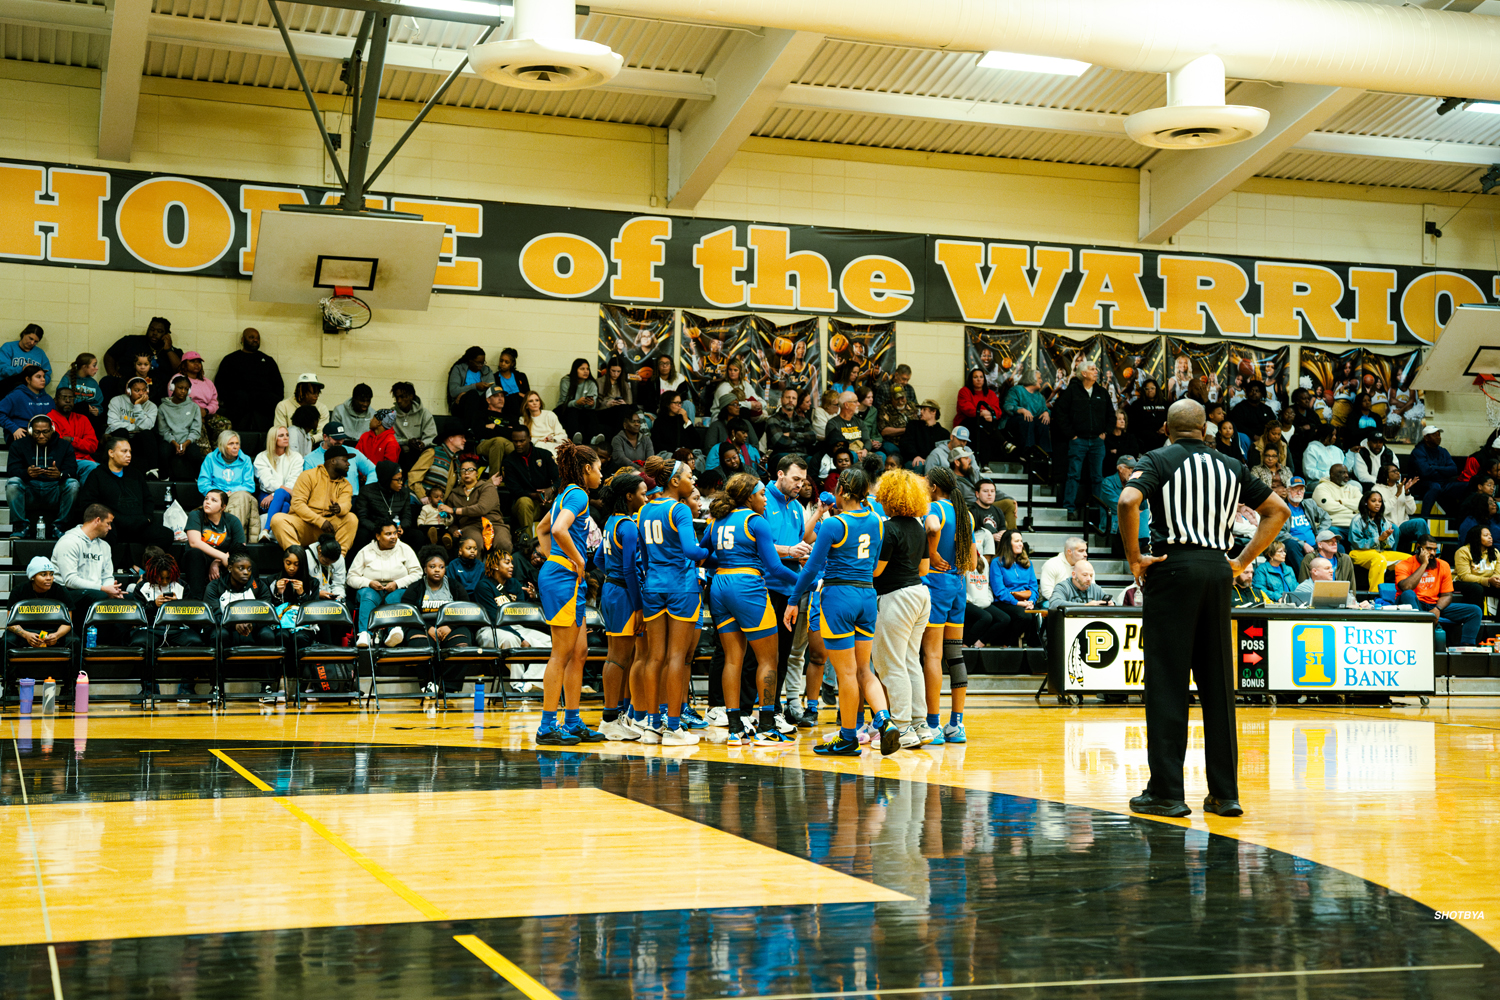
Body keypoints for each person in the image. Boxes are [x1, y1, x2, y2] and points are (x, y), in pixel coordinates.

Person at [1117, 398, 1287, 819]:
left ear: (1168, 428)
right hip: (1217, 571)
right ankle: (1225, 795)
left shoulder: (1158, 459)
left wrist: (1136, 558)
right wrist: (1242, 562)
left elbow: (1126, 502)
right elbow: (1278, 511)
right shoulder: (1231, 465)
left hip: (1173, 569)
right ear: (1205, 428)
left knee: (1167, 683)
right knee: (1218, 685)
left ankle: (1168, 793)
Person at [786, 468, 901, 757]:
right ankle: (884, 720)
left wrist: (793, 599)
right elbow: (874, 561)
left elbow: (811, 566)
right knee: (865, 669)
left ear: (843, 491)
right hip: (866, 594)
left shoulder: (835, 525)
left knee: (845, 673)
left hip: (839, 596)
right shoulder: (877, 521)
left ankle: (848, 738)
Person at [703, 472, 801, 745]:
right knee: (769, 659)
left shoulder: (716, 521)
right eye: (760, 495)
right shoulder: (756, 521)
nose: (765, 500)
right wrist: (808, 581)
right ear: (748, 497)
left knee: (733, 659)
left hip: (720, 585)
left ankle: (735, 728)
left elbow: (702, 555)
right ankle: (767, 726)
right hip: (747, 585)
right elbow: (775, 568)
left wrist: (726, 564)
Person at [632, 457, 710, 747]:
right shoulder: (679, 510)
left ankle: (652, 727)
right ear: (675, 481)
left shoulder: (645, 510)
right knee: (676, 658)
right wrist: (711, 548)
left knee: (655, 657)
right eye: (690, 476)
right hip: (681, 587)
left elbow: (645, 555)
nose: (694, 481)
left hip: (653, 587)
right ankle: (674, 727)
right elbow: (691, 550)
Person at [533, 441, 606, 745]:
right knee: (561, 654)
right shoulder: (577, 493)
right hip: (562, 579)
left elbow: (541, 529)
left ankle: (573, 721)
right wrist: (575, 560)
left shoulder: (564, 494)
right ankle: (547, 726)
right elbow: (559, 529)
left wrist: (556, 558)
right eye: (599, 468)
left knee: (579, 652)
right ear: (587, 468)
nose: (602, 474)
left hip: (563, 577)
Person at [867, 468, 935, 748]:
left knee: (891, 664)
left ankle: (903, 728)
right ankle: (921, 725)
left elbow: (877, 572)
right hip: (920, 594)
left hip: (896, 597)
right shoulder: (918, 527)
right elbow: (924, 568)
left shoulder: (889, 528)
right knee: (910, 662)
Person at [589, 470, 648, 741]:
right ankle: (609, 718)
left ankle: (615, 716)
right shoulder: (629, 526)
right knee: (619, 657)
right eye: (642, 493)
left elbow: (599, 560)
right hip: (624, 593)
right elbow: (629, 569)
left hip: (610, 589)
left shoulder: (612, 521)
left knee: (616, 656)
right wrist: (638, 606)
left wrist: (610, 576)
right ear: (629, 496)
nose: (645, 498)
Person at [919, 466, 976, 745]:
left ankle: (933, 724)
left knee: (932, 656)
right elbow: (974, 564)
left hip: (937, 583)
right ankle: (957, 723)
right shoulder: (965, 514)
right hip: (958, 584)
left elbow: (931, 527)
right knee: (955, 655)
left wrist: (931, 553)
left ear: (933, 488)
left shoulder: (936, 508)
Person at [75, 436, 172, 567]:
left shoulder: (136, 474)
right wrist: (108, 520)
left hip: (139, 525)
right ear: (111, 453)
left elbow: (148, 499)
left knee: (165, 535)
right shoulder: (97, 475)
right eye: (124, 451)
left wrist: (147, 518)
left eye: (130, 452)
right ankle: (107, 569)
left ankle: (147, 568)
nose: (129, 455)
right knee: (104, 532)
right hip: (113, 526)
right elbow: (89, 503)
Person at [402, 546, 475, 696]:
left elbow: (466, 610)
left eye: (441, 567)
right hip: (422, 627)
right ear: (424, 569)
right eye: (432, 566)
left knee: (462, 646)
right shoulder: (415, 588)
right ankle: (429, 683)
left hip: (451, 627)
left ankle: (447, 685)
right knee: (419, 645)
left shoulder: (454, 587)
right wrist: (428, 628)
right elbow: (408, 613)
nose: (437, 570)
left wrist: (450, 626)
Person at [1393, 535, 1482, 647]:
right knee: (1408, 594)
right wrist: (1424, 564)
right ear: (1418, 548)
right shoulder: (1403, 565)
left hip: (1433, 605)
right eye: (1428, 549)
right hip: (1413, 605)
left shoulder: (1443, 565)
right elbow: (1406, 587)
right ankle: (1421, 630)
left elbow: (1447, 595)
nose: (1433, 553)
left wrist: (1437, 609)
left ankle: (1467, 647)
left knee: (1475, 611)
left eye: (1435, 549)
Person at [1058, 357, 1114, 523]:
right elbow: (1060, 414)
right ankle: (1069, 508)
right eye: (1092, 369)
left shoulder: (1102, 393)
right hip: (1078, 440)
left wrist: (1106, 432)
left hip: (1097, 441)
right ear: (1083, 373)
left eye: (1095, 369)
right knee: (1073, 474)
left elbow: (1111, 415)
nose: (1096, 371)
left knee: (1098, 477)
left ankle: (1098, 509)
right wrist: (1071, 435)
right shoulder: (1071, 392)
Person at [270, 446, 357, 554]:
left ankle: (337, 559)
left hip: (329, 527)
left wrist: (339, 509)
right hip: (304, 524)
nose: (348, 464)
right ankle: (297, 557)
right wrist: (319, 521)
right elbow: (298, 504)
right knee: (277, 519)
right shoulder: (308, 476)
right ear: (333, 461)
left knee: (351, 519)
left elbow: (346, 504)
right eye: (345, 460)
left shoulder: (346, 485)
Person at [348, 522, 422, 639]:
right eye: (388, 534)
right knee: (368, 595)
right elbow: (351, 577)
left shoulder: (405, 549)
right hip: (371, 589)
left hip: (397, 589)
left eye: (395, 533)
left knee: (395, 597)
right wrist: (369, 583)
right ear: (378, 536)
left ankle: (394, 632)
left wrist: (397, 584)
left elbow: (417, 574)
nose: (393, 537)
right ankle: (365, 634)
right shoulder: (365, 551)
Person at [52, 505, 126, 612]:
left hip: (96, 591)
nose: (110, 528)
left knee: (129, 599)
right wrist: (103, 589)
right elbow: (70, 580)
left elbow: (107, 576)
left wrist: (112, 590)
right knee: (100, 597)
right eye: (108, 523)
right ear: (97, 520)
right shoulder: (68, 541)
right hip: (68, 592)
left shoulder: (105, 546)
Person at [213, 327, 283, 433]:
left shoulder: (268, 361)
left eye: (257, 338)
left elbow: (278, 386)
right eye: (251, 337)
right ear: (242, 339)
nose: (255, 340)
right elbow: (220, 384)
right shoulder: (230, 359)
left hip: (263, 406)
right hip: (238, 405)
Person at [183, 489, 246, 598]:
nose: (207, 502)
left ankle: (245, 601)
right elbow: (194, 543)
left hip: (223, 563)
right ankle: (196, 603)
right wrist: (221, 556)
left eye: (214, 500)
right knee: (195, 554)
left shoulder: (232, 521)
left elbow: (240, 548)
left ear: (223, 507)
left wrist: (217, 562)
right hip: (198, 560)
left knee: (248, 564)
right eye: (206, 498)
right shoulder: (195, 515)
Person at [501, 424, 558, 544]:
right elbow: (515, 489)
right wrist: (535, 495)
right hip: (526, 504)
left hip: (547, 501)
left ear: (529, 439)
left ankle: (561, 544)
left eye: (522, 441)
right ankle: (529, 545)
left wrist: (551, 489)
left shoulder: (544, 455)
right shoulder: (509, 461)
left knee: (563, 498)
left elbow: (561, 477)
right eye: (515, 441)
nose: (518, 444)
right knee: (523, 501)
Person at [5, 557, 74, 655]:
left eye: (51, 574)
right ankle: (6, 670)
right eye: (43, 574)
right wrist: (26, 635)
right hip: (26, 631)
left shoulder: (61, 591)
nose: (49, 578)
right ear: (33, 576)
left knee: (74, 641)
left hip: (53, 631)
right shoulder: (19, 591)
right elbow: (10, 622)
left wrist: (57, 635)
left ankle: (75, 670)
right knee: (6, 641)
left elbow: (68, 622)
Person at [197, 429, 259, 534]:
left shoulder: (246, 460)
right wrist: (220, 493)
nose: (235, 447)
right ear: (222, 445)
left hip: (238, 496)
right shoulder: (210, 458)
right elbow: (203, 483)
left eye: (237, 444)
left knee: (241, 498)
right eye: (231, 444)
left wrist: (231, 493)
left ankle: (231, 536)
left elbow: (250, 486)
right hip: (217, 497)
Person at [440, 456, 506, 553]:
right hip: (470, 526)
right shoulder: (454, 494)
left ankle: (501, 567)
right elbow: (451, 520)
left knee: (503, 543)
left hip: (494, 523)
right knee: (473, 545)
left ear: (477, 473)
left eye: (470, 470)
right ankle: (477, 568)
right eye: (463, 470)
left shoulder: (487, 487)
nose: (466, 473)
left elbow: (481, 508)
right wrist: (453, 530)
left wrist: (454, 510)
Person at [989, 529, 1041, 646]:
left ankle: (1034, 651)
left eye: (1021, 541)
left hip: (1026, 600)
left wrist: (1031, 601)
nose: (1021, 544)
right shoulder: (997, 562)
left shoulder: (1027, 563)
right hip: (1004, 601)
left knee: (1038, 615)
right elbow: (999, 591)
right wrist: (1018, 603)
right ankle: (1006, 644)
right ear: (1008, 543)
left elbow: (1033, 586)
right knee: (1024, 616)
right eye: (1017, 541)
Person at [1347, 490, 1409, 587]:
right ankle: (1374, 595)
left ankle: (1402, 591)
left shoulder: (1383, 520)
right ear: (1366, 502)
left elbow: (1390, 543)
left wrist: (1385, 539)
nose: (1377, 504)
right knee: (1379, 559)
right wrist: (1378, 539)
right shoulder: (1357, 520)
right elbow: (1356, 543)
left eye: (1380, 501)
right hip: (1358, 553)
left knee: (1409, 559)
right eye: (1373, 501)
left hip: (1379, 551)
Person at [353, 460, 415, 553]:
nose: (401, 482)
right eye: (397, 480)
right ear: (387, 479)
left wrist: (401, 527)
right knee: (361, 534)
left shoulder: (404, 493)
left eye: (401, 479)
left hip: (396, 530)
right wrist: (379, 530)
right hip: (375, 529)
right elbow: (363, 518)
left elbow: (407, 516)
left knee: (417, 535)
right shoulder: (367, 491)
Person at [305, 421, 377, 496]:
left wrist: (366, 490)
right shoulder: (310, 459)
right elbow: (308, 485)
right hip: (325, 501)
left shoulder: (354, 453)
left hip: (353, 500)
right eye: (336, 439)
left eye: (342, 438)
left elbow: (373, 470)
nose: (340, 442)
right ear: (325, 437)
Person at [106, 377, 161, 473]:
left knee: (147, 434)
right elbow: (113, 425)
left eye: (144, 390)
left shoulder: (151, 406)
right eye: (137, 390)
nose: (141, 393)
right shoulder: (116, 401)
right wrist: (135, 427)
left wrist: (137, 406)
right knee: (122, 432)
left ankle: (153, 471)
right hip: (121, 437)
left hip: (138, 440)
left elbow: (146, 427)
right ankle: (118, 468)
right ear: (128, 391)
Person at [255, 426, 303, 533]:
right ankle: (274, 533)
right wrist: (276, 493)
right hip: (265, 497)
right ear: (273, 439)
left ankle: (266, 530)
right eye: (281, 436)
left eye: (287, 435)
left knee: (281, 493)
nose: (286, 438)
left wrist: (274, 495)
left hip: (285, 495)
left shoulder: (296, 457)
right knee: (285, 505)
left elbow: (294, 481)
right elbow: (267, 482)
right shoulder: (261, 457)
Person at [155, 375, 203, 481]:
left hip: (188, 440)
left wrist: (185, 444)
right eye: (180, 387)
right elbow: (163, 431)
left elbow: (195, 430)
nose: (183, 391)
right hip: (170, 441)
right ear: (172, 388)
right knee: (163, 452)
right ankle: (164, 479)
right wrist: (175, 444)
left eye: (186, 389)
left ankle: (198, 480)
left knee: (195, 455)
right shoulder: (163, 407)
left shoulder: (194, 407)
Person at [1372, 463, 1428, 552]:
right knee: (1394, 528)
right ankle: (1392, 558)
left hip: (1403, 525)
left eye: (1398, 471)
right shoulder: (1377, 489)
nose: (1398, 473)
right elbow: (1382, 511)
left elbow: (1411, 511)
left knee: (1421, 522)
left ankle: (1427, 553)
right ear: (1385, 474)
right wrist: (1397, 495)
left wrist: (1406, 493)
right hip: (1387, 525)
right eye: (1394, 471)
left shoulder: (1401, 487)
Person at [48, 385, 97, 483]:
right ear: (55, 400)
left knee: (98, 469)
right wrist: (81, 443)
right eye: (64, 397)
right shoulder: (49, 419)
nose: (68, 400)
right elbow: (59, 445)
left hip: (83, 461)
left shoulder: (83, 419)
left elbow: (92, 446)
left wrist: (72, 440)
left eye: (71, 398)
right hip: (61, 462)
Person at [1097, 455, 1150, 540]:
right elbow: (1120, 506)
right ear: (1120, 469)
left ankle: (1144, 545)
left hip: (1135, 523)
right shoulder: (1108, 482)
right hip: (1115, 524)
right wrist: (1137, 511)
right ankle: (1144, 546)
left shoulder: (1136, 482)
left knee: (1147, 513)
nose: (1133, 471)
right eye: (1130, 468)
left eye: (1135, 468)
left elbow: (1144, 506)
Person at [104, 316, 172, 382]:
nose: (154, 333)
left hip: (156, 387)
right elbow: (110, 355)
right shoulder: (131, 341)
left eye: (159, 331)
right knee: (107, 381)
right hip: (126, 382)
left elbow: (179, 369)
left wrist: (168, 349)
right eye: (152, 329)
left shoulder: (170, 351)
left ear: (166, 334)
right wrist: (112, 372)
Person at [1287, 556, 1371, 608]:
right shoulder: (1303, 588)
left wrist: (1362, 605)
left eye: (1331, 568)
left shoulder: (1338, 586)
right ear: (1315, 571)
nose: (1331, 571)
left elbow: (1353, 604)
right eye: (1327, 569)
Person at [0, 364, 53, 443]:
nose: (43, 380)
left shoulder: (48, 399)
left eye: (43, 377)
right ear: (28, 379)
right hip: (20, 431)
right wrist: (14, 428)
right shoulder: (16, 395)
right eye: (38, 377)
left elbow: (54, 419)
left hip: (42, 433)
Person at [1003, 371, 1052, 458]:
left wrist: (1046, 413)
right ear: (1031, 378)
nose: (1041, 381)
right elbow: (1007, 406)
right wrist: (1021, 410)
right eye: (1039, 378)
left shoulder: (1039, 396)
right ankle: (1028, 451)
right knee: (1027, 419)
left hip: (1030, 425)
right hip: (1014, 423)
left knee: (1043, 422)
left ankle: (1044, 452)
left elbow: (1044, 409)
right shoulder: (1016, 390)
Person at [1454, 525, 1500, 616]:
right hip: (1462, 583)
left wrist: (1495, 580)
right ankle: (1477, 619)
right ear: (1476, 537)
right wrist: (1487, 580)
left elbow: (1497, 573)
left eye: (1490, 535)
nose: (1490, 537)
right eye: (1486, 535)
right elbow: (1464, 576)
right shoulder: (1463, 551)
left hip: (1487, 583)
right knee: (1477, 588)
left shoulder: (1495, 552)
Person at [410, 429, 467, 501]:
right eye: (461, 437)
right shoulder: (433, 452)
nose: (465, 440)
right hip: (417, 502)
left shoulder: (456, 463)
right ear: (451, 438)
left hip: (435, 507)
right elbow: (414, 476)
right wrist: (422, 496)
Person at [390, 381, 437, 468]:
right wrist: (406, 442)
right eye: (397, 397)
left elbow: (432, 437)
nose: (399, 401)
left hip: (420, 448)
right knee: (404, 449)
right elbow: (388, 437)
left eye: (402, 397)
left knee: (431, 451)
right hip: (400, 449)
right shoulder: (391, 414)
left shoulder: (424, 413)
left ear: (411, 396)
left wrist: (423, 443)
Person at [1281, 476, 1328, 562]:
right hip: (1297, 547)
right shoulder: (1281, 509)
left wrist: (1319, 534)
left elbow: (1326, 517)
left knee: (1337, 546)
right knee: (1291, 545)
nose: (1299, 493)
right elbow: (1281, 533)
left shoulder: (1309, 504)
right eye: (1295, 489)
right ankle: (1303, 575)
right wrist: (1303, 544)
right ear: (1287, 491)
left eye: (1301, 489)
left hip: (1315, 544)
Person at [766, 388, 815, 468]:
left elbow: (812, 437)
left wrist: (790, 434)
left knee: (814, 461)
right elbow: (779, 441)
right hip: (781, 456)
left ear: (796, 401)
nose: (791, 400)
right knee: (791, 463)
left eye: (794, 398)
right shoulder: (773, 419)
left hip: (802, 456)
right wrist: (802, 441)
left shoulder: (803, 420)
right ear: (781, 399)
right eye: (788, 397)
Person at [272, 373, 328, 444]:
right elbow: (280, 431)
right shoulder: (283, 406)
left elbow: (322, 433)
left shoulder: (322, 408)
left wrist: (310, 440)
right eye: (313, 392)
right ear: (301, 391)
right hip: (288, 444)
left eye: (318, 392)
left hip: (314, 444)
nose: (316, 395)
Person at [1312, 463, 1361, 540]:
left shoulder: (1353, 488)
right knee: (1333, 535)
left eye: (1347, 472)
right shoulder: (1321, 488)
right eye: (1341, 472)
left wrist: (1341, 502)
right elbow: (1329, 507)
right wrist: (1353, 510)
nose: (1346, 475)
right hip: (1334, 525)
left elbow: (1362, 505)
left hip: (1355, 525)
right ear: (1332, 475)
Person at [555, 358, 599, 441]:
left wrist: (592, 404)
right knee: (573, 411)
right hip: (565, 409)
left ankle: (594, 438)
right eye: (582, 369)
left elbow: (594, 404)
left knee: (591, 413)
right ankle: (574, 437)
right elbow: (563, 402)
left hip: (583, 409)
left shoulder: (591, 383)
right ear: (575, 370)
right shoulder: (566, 381)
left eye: (587, 369)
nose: (586, 371)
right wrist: (576, 402)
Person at [514, 390, 566, 459]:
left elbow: (563, 435)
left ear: (540, 403)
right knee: (541, 447)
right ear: (526, 405)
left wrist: (552, 438)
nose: (534, 403)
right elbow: (524, 439)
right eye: (531, 401)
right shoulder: (523, 420)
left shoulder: (549, 415)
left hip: (553, 443)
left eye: (537, 400)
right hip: (537, 445)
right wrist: (540, 440)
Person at [58, 353, 103, 429]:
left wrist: (97, 410)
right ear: (84, 367)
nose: (97, 368)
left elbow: (98, 402)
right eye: (94, 365)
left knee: (97, 421)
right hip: (69, 413)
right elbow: (61, 397)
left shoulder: (93, 383)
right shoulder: (67, 378)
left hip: (87, 417)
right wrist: (82, 404)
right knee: (83, 405)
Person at [1039, 536, 1087, 604]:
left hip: (1080, 603)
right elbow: (1047, 592)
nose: (1085, 554)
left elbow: (1092, 591)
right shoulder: (1051, 564)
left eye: (1085, 550)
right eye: (1081, 551)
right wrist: (1069, 604)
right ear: (1069, 552)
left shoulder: (1087, 567)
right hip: (1055, 602)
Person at [447, 345, 493, 416]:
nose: (481, 365)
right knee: (472, 394)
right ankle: (470, 426)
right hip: (461, 404)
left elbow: (492, 390)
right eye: (478, 362)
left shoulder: (487, 370)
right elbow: (453, 391)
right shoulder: (458, 369)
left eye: (483, 362)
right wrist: (475, 386)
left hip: (482, 402)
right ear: (470, 360)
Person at [1, 323, 50, 390]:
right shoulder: (8, 347)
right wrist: (23, 369)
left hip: (32, 390)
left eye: (36, 341)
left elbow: (47, 374)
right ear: (24, 333)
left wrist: (39, 383)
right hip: (7, 388)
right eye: (30, 338)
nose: (32, 343)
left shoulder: (40, 353)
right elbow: (3, 370)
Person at [902, 399, 948, 470]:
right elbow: (907, 444)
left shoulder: (944, 433)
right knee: (920, 464)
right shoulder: (913, 425)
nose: (921, 412)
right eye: (921, 409)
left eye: (924, 409)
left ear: (933, 411)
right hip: (914, 460)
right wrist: (915, 456)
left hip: (934, 462)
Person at [1127, 378, 1167, 452]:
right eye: (1147, 388)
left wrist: (1165, 427)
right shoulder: (1136, 405)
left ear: (1156, 389)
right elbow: (1132, 426)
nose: (1150, 390)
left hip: (1163, 442)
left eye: (1152, 388)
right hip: (1144, 442)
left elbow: (1172, 419)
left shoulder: (1165, 404)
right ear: (1143, 390)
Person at [491, 347, 531, 420]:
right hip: (506, 406)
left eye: (506, 362)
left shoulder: (521, 376)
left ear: (512, 363)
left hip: (521, 405)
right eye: (501, 361)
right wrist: (517, 394)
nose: (503, 364)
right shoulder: (495, 377)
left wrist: (518, 396)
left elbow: (527, 394)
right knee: (512, 399)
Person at [308, 533, 348, 602]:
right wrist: (317, 594)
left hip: (330, 598)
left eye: (332, 563)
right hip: (311, 598)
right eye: (326, 562)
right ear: (319, 551)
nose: (328, 565)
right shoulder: (306, 556)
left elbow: (339, 583)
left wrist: (339, 597)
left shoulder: (339, 559)